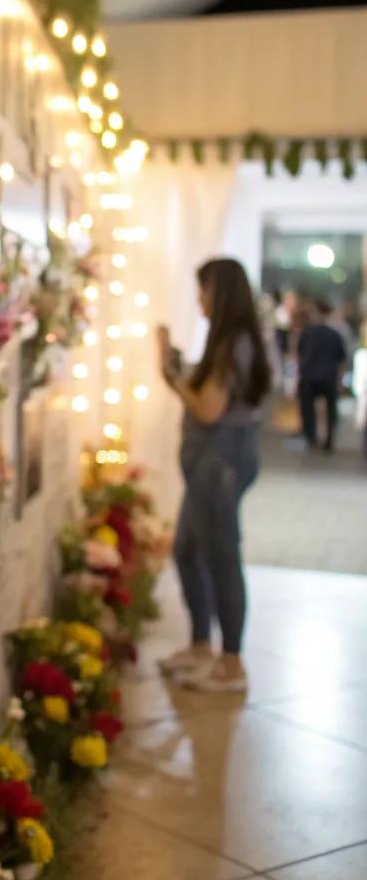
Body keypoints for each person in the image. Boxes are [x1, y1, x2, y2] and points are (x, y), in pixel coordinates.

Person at [155, 258, 271, 693]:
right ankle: (202, 644)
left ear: (218, 292)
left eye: (202, 290)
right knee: (186, 548)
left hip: (221, 464)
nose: (199, 299)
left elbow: (208, 407)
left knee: (221, 555)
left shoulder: (235, 343)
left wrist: (170, 372)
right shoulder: (228, 341)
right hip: (212, 463)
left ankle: (231, 662)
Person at [297, 299, 348, 452]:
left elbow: (299, 354)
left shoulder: (306, 333)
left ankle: (311, 438)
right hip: (329, 376)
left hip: (309, 376)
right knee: (331, 410)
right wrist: (340, 380)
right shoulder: (334, 334)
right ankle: (329, 439)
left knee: (307, 408)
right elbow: (341, 359)